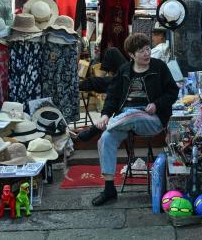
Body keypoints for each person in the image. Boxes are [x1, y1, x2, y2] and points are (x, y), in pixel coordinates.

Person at [92, 33, 179, 206]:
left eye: (148, 49)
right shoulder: (124, 70)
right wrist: (105, 114)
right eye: (141, 51)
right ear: (131, 55)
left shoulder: (159, 67)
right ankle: (109, 188)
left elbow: (173, 92)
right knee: (105, 139)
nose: (147, 53)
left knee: (134, 115)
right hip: (124, 119)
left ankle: (99, 127)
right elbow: (113, 95)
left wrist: (156, 104)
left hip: (151, 118)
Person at [75, 47, 128, 142]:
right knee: (112, 51)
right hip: (128, 76)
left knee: (106, 84)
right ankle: (98, 80)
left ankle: (87, 83)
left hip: (127, 84)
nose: (146, 53)